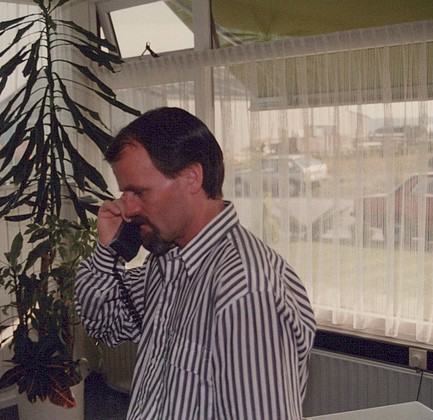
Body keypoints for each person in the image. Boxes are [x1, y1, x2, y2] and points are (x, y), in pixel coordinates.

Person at [75, 107, 316, 419]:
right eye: (125, 193)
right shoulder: (168, 262)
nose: (128, 209)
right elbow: (104, 323)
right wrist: (109, 251)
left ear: (192, 177)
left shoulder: (246, 292)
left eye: (139, 192)